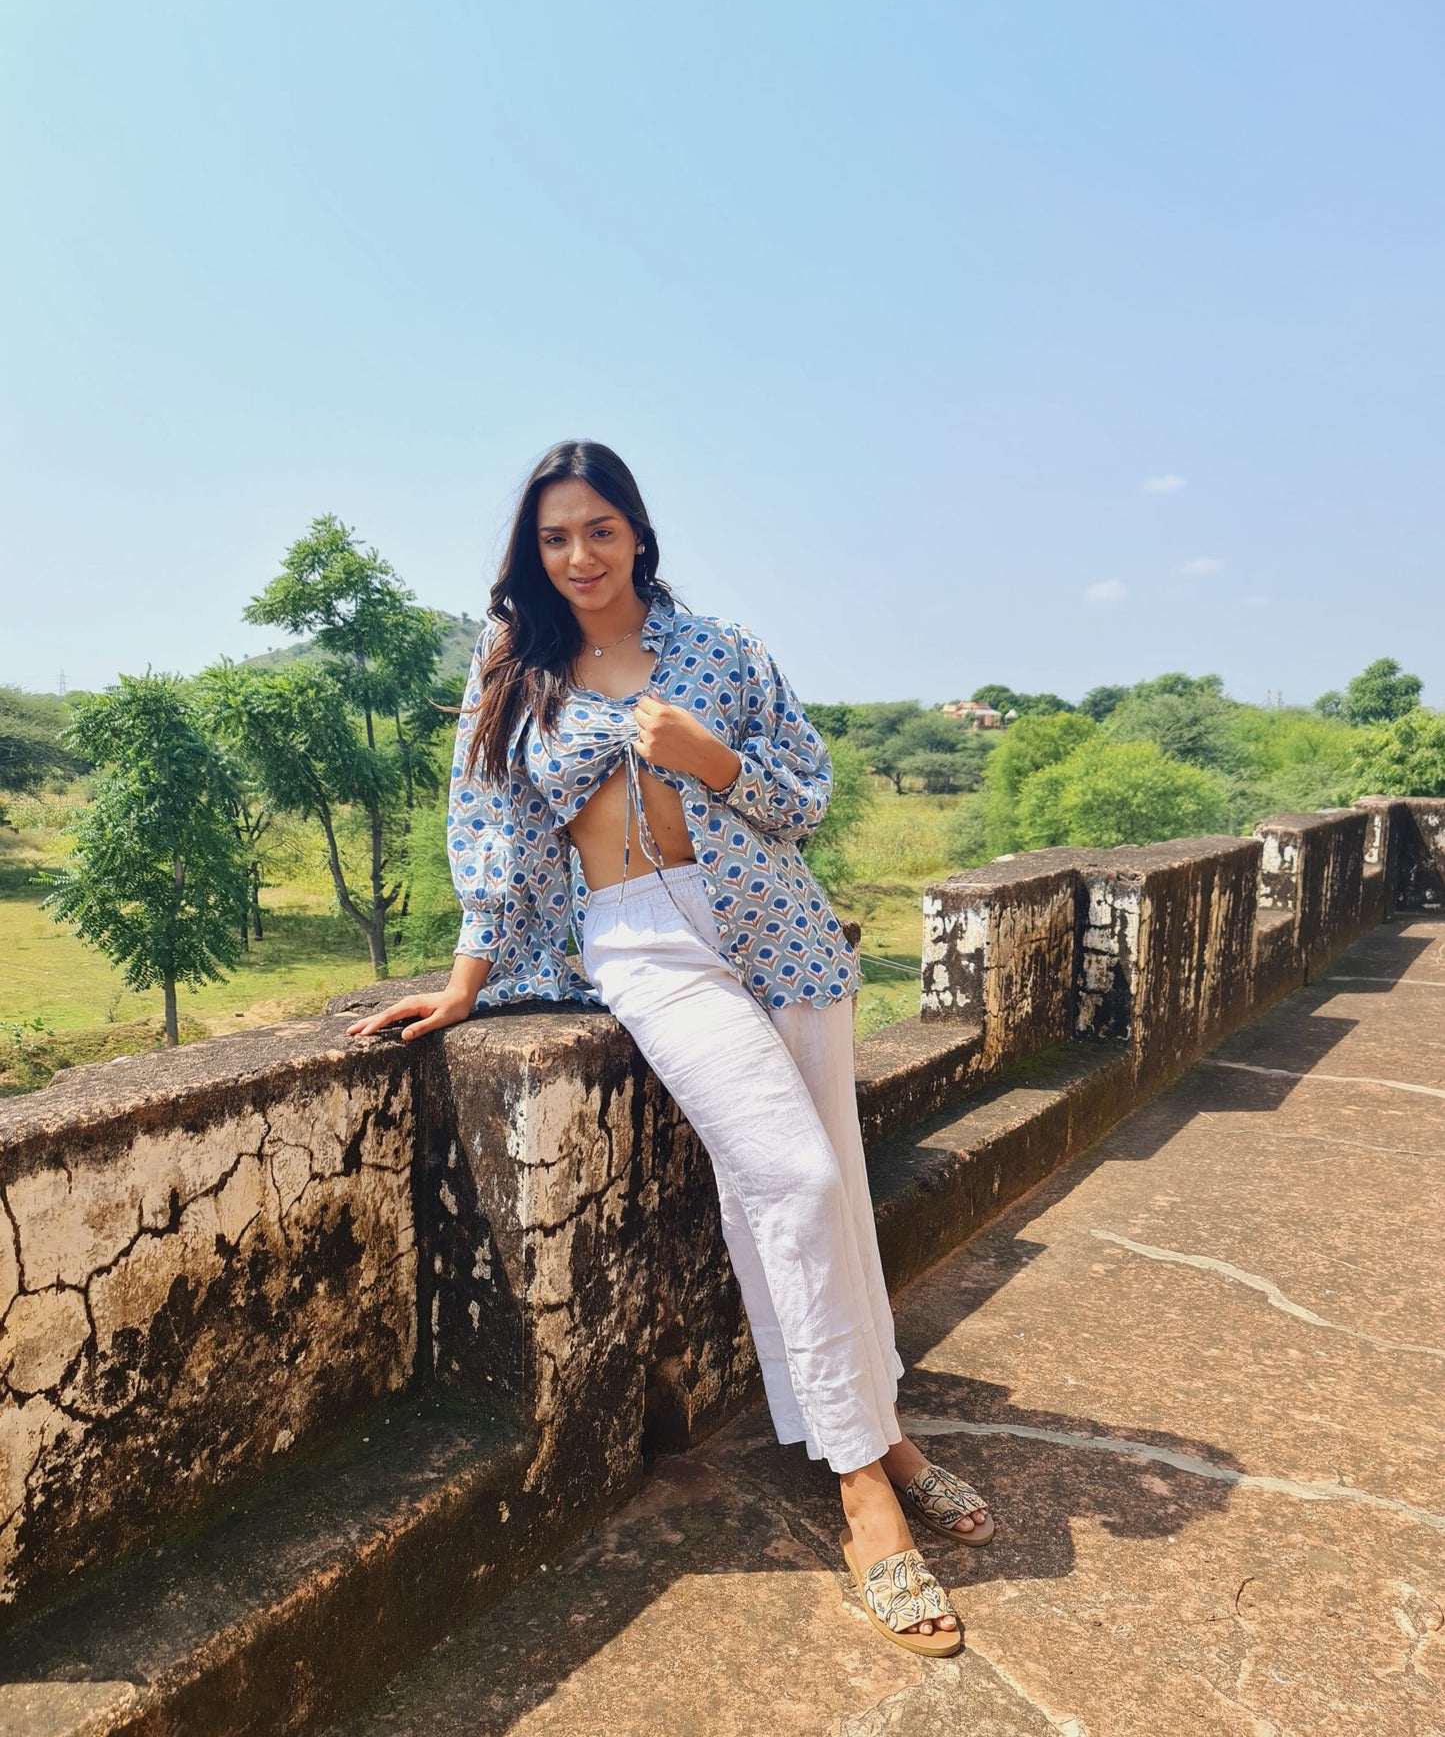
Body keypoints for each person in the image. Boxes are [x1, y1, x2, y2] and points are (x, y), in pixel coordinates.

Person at [347, 441, 996, 1655]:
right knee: (785, 1176)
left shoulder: (723, 650)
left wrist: (712, 759)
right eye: (553, 537)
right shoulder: (516, 668)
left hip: (772, 922)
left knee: (830, 1190)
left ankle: (882, 1428)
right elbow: (487, 832)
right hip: (643, 945)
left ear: (637, 532)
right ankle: (861, 1489)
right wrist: (458, 986)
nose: (578, 555)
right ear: (530, 554)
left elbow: (803, 796)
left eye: (598, 529)